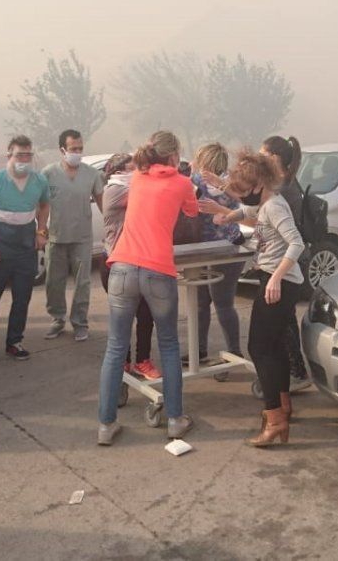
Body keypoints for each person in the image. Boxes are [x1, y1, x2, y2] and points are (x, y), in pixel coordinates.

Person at [97, 131, 197, 446]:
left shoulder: (138, 177)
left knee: (115, 347)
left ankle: (106, 425)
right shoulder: (182, 182)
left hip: (121, 267)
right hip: (158, 270)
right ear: (174, 155)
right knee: (168, 344)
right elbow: (192, 211)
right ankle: (175, 420)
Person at [200, 150, 305, 447]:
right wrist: (228, 216)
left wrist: (276, 277)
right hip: (275, 279)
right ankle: (282, 408)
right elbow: (250, 212)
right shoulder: (266, 203)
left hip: (278, 282)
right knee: (274, 346)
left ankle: (275, 420)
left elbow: (297, 243)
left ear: (259, 185)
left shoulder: (275, 206)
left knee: (258, 348)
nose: (242, 196)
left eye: (245, 191)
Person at [0, 135, 50, 363]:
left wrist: (41, 231)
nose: (24, 159)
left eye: (28, 155)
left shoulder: (39, 181)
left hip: (26, 250)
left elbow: (45, 205)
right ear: (9, 156)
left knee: (22, 298)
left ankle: (14, 342)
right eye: (19, 155)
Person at [98, 153, 160, 380]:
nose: (138, 172)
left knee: (145, 314)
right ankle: (122, 363)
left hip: (138, 261)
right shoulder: (114, 190)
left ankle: (142, 361)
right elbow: (149, 193)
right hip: (115, 264)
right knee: (122, 318)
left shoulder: (131, 187)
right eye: (133, 168)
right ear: (118, 172)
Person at [261, 135, 312, 391]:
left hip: (286, 262)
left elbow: (293, 239)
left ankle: (296, 373)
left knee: (285, 322)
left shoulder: (284, 189)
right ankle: (294, 371)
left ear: (274, 158)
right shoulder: (285, 183)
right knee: (285, 320)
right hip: (285, 260)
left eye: (263, 155)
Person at [43, 129, 104, 342]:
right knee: (54, 282)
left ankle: (80, 322)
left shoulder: (91, 174)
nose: (77, 153)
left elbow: (103, 203)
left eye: (80, 148)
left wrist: (112, 230)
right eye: (73, 149)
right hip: (56, 237)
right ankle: (57, 319)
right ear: (62, 150)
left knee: (83, 283)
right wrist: (40, 231)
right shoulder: (48, 174)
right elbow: (41, 205)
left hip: (82, 238)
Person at [188, 143, 243, 363]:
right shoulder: (234, 185)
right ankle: (224, 351)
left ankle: (226, 352)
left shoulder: (197, 182)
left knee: (209, 304)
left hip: (209, 250)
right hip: (227, 248)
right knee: (218, 304)